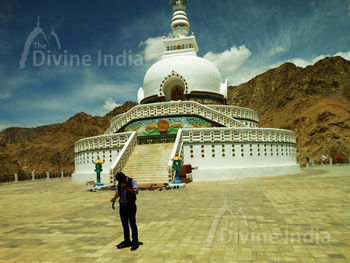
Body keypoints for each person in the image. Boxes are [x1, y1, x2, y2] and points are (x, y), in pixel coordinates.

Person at [111, 172, 140, 250]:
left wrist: (127, 189)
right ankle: (127, 241)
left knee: (132, 224)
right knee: (124, 224)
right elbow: (118, 192)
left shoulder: (132, 181)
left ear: (124, 177)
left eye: (121, 180)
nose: (120, 182)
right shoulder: (120, 183)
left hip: (130, 205)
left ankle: (135, 241)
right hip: (122, 206)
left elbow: (136, 191)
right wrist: (114, 198)